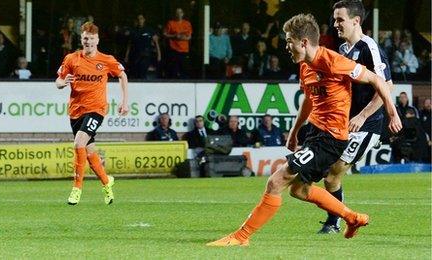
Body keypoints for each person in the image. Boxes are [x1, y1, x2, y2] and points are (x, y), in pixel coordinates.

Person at [206, 13, 401, 247]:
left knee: (277, 181)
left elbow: (378, 81)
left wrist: (392, 113)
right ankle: (352, 218)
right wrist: (295, 131)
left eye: (289, 41)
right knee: (299, 190)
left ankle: (241, 237)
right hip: (314, 134)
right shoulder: (305, 66)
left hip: (331, 139)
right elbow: (308, 101)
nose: (286, 46)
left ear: (304, 42)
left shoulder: (333, 61)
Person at [319, 0, 395, 234]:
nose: (335, 24)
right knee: (329, 176)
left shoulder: (369, 48)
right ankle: (337, 219)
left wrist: (362, 116)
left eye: (340, 19)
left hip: (367, 124)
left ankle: (335, 222)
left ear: (356, 21)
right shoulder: (343, 50)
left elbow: (387, 87)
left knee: (334, 172)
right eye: (334, 19)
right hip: (345, 122)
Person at [55, 22, 129, 206]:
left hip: (96, 109)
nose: (88, 41)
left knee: (79, 142)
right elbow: (57, 80)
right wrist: (62, 83)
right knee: (89, 151)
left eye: (91, 38)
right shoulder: (72, 59)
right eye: (85, 38)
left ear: (97, 40)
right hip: (75, 111)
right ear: (82, 39)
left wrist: (124, 101)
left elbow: (122, 75)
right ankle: (106, 183)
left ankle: (76, 188)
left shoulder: (106, 60)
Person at [125, 14, 161, 79]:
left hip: (146, 55)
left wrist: (159, 54)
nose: (140, 20)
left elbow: (156, 42)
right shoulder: (133, 31)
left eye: (141, 19)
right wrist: (127, 55)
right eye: (138, 19)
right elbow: (130, 44)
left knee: (143, 72)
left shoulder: (149, 30)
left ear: (144, 20)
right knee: (135, 73)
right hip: (135, 55)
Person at [163, 8, 192, 78]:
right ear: (175, 14)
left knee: (184, 71)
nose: (179, 14)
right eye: (177, 13)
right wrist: (174, 36)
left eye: (180, 12)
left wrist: (181, 37)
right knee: (173, 71)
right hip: (174, 50)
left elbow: (189, 37)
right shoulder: (171, 23)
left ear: (183, 14)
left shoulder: (187, 24)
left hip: (184, 51)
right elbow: (164, 34)